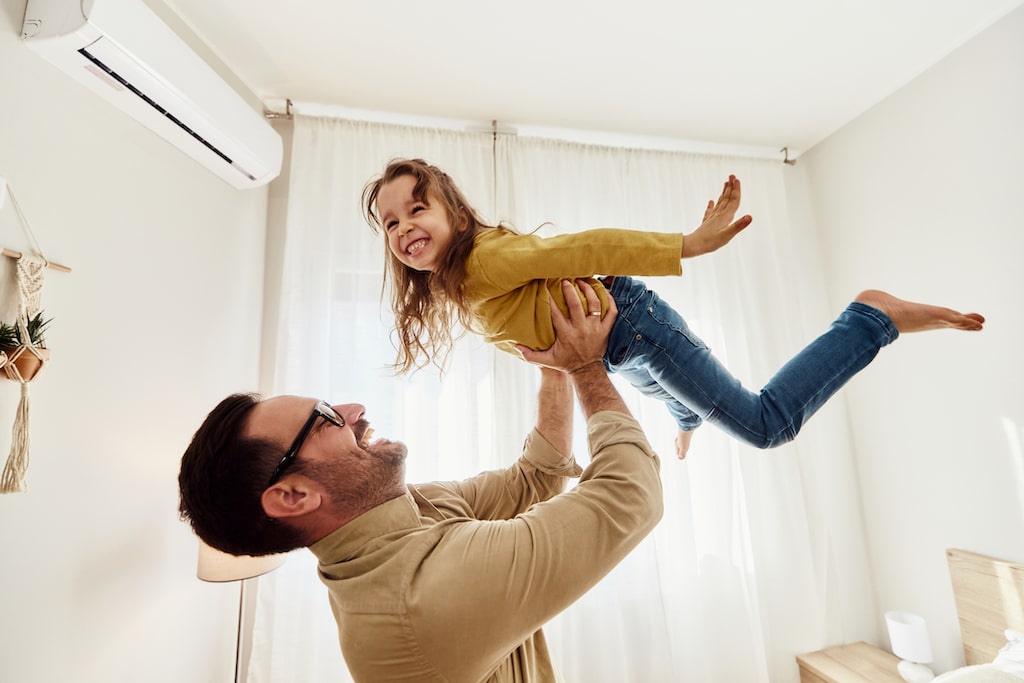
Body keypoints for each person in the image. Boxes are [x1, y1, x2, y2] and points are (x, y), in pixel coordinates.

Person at [178, 281, 665, 682]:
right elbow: (630, 497)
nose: (354, 411)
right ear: (293, 495)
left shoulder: (402, 514)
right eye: (326, 417)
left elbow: (533, 479)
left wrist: (557, 368)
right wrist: (585, 365)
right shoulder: (417, 601)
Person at [362, 158, 985, 459]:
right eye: (392, 221)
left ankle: (870, 318)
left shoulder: (481, 261)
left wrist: (687, 245)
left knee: (767, 426)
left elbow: (581, 247)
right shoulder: (454, 285)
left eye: (418, 208)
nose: (405, 226)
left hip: (632, 325)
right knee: (672, 398)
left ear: (456, 216)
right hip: (619, 345)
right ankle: (687, 419)